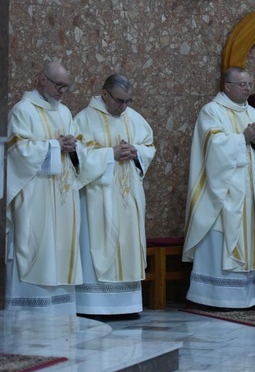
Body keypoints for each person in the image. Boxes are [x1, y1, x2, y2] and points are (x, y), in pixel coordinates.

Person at [182, 67, 255, 309]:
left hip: (249, 190)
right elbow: (212, 146)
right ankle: (212, 296)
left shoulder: (253, 112)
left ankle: (245, 297)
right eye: (242, 84)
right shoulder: (211, 111)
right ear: (227, 86)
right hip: (221, 192)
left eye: (249, 84)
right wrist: (241, 138)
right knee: (220, 234)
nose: (247, 89)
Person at [5, 62, 84, 314]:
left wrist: (73, 147)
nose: (62, 91)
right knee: (36, 246)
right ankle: (29, 309)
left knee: (61, 249)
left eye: (66, 87)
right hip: (35, 195)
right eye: (58, 85)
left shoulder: (65, 112)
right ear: (41, 79)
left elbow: (76, 150)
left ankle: (60, 310)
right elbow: (19, 152)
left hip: (62, 196)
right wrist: (53, 146)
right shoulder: (22, 110)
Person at [74, 74, 156, 316]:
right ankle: (94, 305)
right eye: (119, 101)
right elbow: (78, 158)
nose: (123, 107)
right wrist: (110, 154)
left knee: (128, 243)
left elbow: (148, 146)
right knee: (99, 242)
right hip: (98, 197)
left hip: (127, 196)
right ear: (104, 94)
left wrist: (137, 151)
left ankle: (127, 305)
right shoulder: (84, 119)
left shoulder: (134, 118)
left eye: (128, 101)